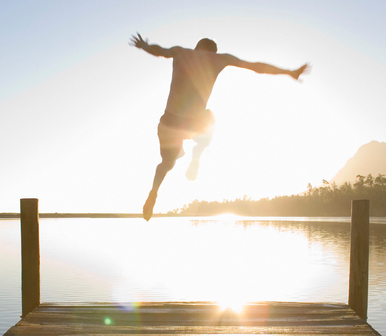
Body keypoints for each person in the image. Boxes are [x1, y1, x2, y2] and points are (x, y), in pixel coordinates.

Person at [131, 33, 309, 221]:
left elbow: (159, 51)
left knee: (167, 164)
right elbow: (256, 67)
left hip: (169, 122)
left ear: (196, 47)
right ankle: (196, 157)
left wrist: (144, 46)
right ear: (213, 52)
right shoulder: (220, 59)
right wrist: (289, 72)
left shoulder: (181, 52)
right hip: (194, 122)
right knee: (210, 119)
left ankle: (154, 192)